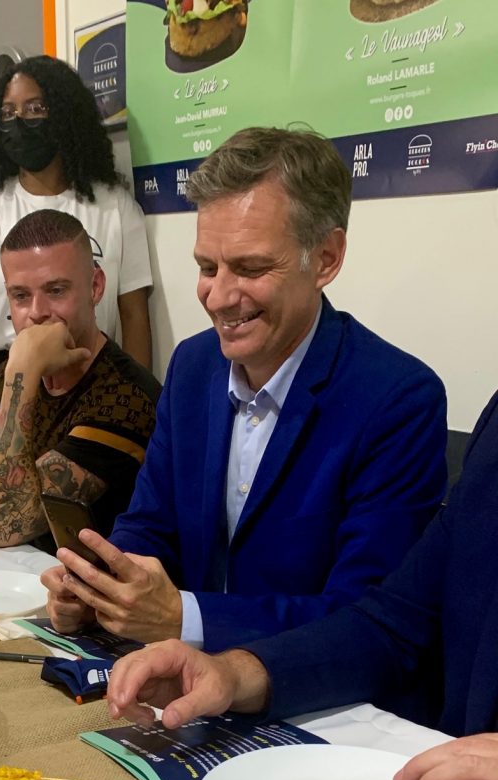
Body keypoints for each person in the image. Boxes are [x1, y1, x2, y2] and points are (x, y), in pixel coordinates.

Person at [42, 127, 447, 650]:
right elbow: (151, 525)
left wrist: (185, 618)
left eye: (251, 268)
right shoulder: (193, 367)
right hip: (176, 674)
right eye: (207, 267)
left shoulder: (397, 400)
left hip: (307, 690)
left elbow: (367, 619)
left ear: (326, 258)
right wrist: (102, 585)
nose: (218, 297)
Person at [104, 388, 498, 761]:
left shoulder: (395, 394)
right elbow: (395, 620)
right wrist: (233, 673)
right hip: (437, 775)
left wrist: (186, 617)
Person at [0, 54, 153, 420]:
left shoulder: (115, 206)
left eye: (35, 108)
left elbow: (134, 316)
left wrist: (138, 406)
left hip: (87, 376)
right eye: (8, 113)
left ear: (65, 114)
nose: (19, 121)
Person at [0, 210, 160, 550]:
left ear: (95, 287)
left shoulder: (125, 398)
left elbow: (4, 524)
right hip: (23, 573)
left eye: (56, 290)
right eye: (21, 296)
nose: (37, 312)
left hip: (88, 580)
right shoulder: (21, 369)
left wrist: (22, 371)